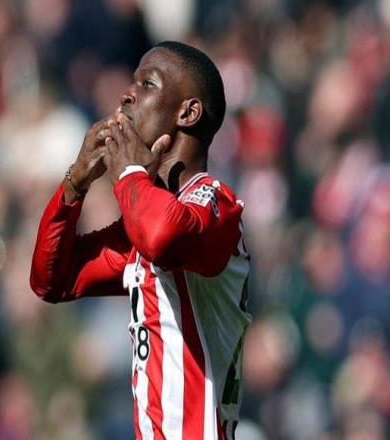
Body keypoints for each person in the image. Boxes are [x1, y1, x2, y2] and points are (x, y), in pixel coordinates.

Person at [30, 41, 251, 440]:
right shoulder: (141, 228)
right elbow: (52, 280)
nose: (126, 95)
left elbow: (162, 237)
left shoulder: (216, 205)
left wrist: (130, 173)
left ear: (188, 112)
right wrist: (75, 184)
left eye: (147, 83)